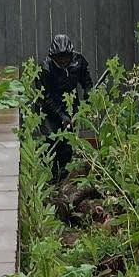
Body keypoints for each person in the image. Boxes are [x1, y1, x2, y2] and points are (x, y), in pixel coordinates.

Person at [36, 32, 93, 181]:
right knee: (52, 142)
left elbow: (86, 79)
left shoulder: (78, 62)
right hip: (50, 110)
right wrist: (61, 115)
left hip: (70, 106)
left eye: (65, 57)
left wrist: (88, 92)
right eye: (59, 58)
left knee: (67, 146)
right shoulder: (46, 68)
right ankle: (51, 178)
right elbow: (45, 97)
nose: (62, 61)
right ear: (53, 56)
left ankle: (63, 179)